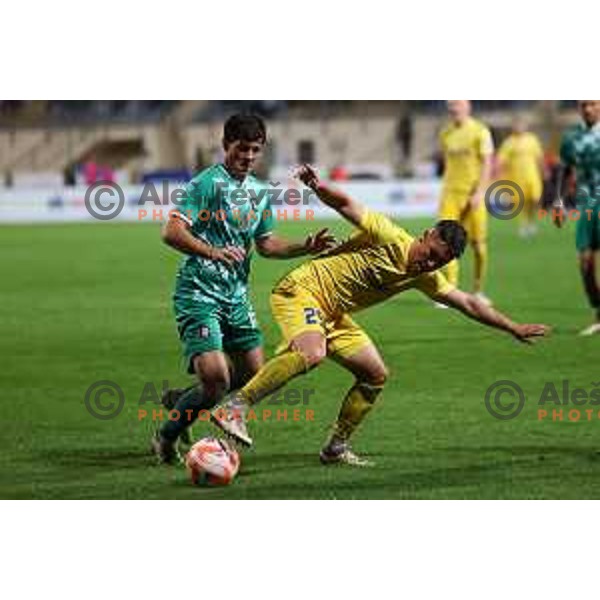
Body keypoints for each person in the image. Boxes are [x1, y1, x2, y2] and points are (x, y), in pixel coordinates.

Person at [212, 165, 549, 466]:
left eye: (439, 263)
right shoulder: (388, 235)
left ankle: (335, 447)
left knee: (375, 374)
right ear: (426, 235)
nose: (430, 264)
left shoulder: (425, 276)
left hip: (332, 312)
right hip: (302, 290)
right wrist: (318, 186)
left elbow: (469, 303)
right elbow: (347, 205)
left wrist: (512, 327)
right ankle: (235, 407)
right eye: (431, 255)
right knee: (313, 353)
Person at [152, 115, 335, 463]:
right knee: (217, 379)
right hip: (198, 293)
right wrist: (212, 251)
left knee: (252, 374)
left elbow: (266, 245)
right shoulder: (206, 184)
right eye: (242, 148)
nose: (248, 156)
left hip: (235, 297)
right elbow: (171, 231)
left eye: (255, 150)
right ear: (225, 146)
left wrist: (305, 245)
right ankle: (165, 436)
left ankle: (183, 400)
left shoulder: (259, 192)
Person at [438, 100, 494, 305]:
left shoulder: (481, 131)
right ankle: (450, 291)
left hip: (473, 196)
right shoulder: (445, 134)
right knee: (445, 242)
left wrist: (480, 192)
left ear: (467, 106)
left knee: (478, 245)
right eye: (450, 105)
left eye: (457, 104)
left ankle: (478, 290)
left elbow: (488, 164)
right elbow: (448, 165)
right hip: (450, 195)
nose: (454, 109)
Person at [553, 100, 600, 336]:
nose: (588, 109)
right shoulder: (572, 137)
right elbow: (564, 168)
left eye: (592, 104)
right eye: (583, 105)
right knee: (585, 264)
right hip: (587, 205)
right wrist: (559, 201)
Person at [497, 116, 545, 238]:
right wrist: (499, 173)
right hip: (516, 177)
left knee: (534, 200)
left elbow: (539, 157)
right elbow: (501, 160)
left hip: (532, 176)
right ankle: (524, 225)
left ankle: (532, 221)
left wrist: (544, 170)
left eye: (521, 125)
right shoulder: (509, 142)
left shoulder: (532, 140)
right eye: (516, 125)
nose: (519, 127)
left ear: (525, 126)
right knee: (521, 202)